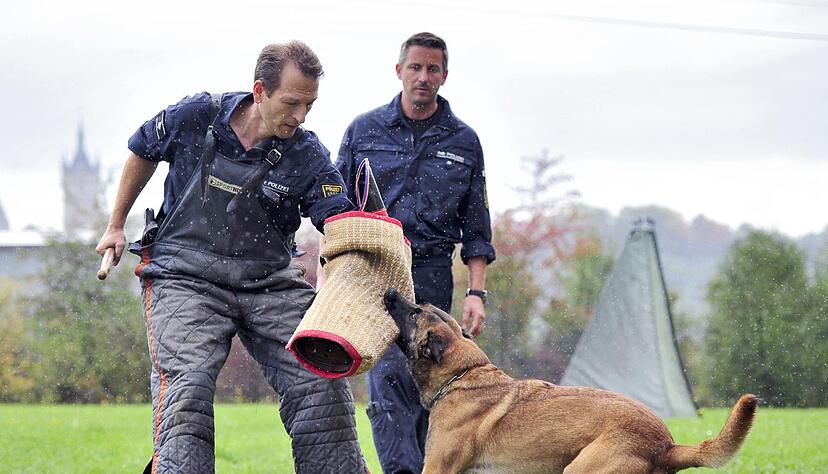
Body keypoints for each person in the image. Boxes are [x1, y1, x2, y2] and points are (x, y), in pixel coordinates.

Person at [95, 41, 366, 474]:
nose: (300, 117)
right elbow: (143, 149)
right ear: (260, 91)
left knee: (321, 387)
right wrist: (115, 224)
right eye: (292, 103)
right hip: (184, 276)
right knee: (188, 392)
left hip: (270, 282)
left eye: (309, 105)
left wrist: (366, 248)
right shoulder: (196, 116)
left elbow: (339, 222)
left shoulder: (307, 154)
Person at [330, 32, 496, 473]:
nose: (423, 77)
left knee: (433, 392)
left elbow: (477, 229)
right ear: (399, 69)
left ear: (444, 75)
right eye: (416, 67)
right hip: (377, 273)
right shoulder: (363, 131)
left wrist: (476, 294)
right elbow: (334, 210)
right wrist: (332, 276)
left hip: (433, 276)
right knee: (388, 387)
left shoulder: (464, 141)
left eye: (433, 69)